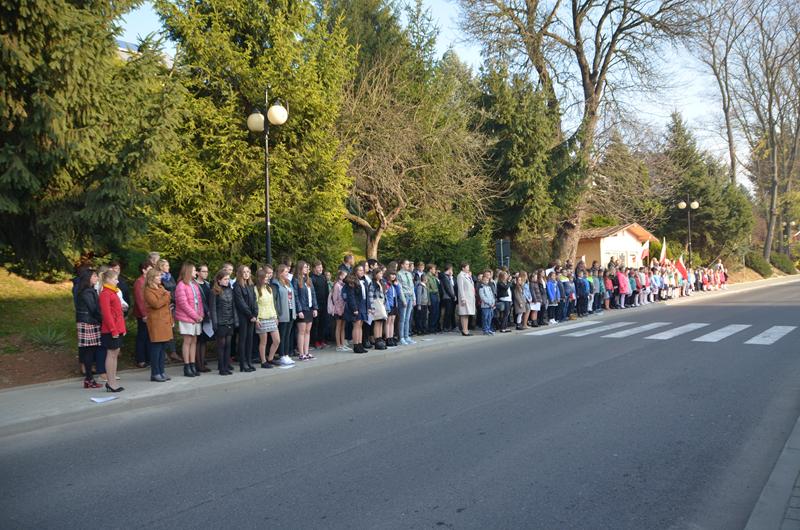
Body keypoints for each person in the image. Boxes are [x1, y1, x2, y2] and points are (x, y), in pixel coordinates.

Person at [174, 263, 204, 377]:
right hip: (187, 317)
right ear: (188, 272)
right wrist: (195, 316)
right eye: (194, 270)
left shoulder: (194, 284)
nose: (196, 272)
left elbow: (199, 301)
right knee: (187, 341)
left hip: (196, 317)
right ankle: (186, 366)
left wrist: (201, 314)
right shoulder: (181, 285)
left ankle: (192, 364)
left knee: (194, 341)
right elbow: (183, 304)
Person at [144, 267, 173, 382]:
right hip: (156, 322)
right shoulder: (148, 290)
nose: (160, 277)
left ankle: (162, 371)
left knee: (162, 349)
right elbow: (156, 304)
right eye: (158, 276)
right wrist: (166, 296)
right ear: (151, 278)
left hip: (165, 321)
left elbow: (166, 303)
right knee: (156, 349)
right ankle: (155, 373)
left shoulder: (161, 288)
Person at [75, 269, 103, 388]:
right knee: (89, 351)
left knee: (90, 351)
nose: (97, 278)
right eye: (95, 276)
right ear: (88, 278)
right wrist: (103, 319)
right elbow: (93, 308)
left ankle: (89, 379)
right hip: (88, 322)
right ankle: (89, 379)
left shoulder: (88, 290)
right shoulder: (87, 292)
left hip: (90, 321)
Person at [98, 269, 125, 392]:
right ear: (108, 280)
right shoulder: (105, 293)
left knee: (115, 354)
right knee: (111, 354)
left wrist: (122, 328)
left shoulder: (113, 292)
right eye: (115, 279)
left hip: (117, 328)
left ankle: (113, 381)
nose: (117, 281)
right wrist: (113, 330)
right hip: (110, 329)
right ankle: (111, 382)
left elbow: (118, 313)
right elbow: (107, 314)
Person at [209, 270, 238, 375]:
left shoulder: (230, 290)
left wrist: (235, 320)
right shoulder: (214, 292)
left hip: (230, 321)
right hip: (220, 322)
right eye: (225, 279)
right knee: (221, 345)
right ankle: (221, 368)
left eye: (228, 279)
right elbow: (213, 309)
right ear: (219, 280)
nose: (227, 281)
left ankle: (226, 366)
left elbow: (233, 307)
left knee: (228, 345)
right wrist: (215, 324)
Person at [233, 265, 258, 372]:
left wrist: (255, 314)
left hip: (252, 317)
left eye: (248, 271)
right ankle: (243, 364)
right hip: (243, 316)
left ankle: (249, 361)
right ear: (240, 273)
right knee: (243, 340)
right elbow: (241, 303)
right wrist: (250, 315)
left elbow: (255, 301)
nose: (247, 274)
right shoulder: (237, 286)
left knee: (250, 340)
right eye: (244, 272)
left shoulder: (251, 285)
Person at [271, 264, 297, 366]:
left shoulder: (288, 282)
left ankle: (286, 354)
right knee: (282, 335)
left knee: (288, 334)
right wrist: (277, 314)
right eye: (285, 271)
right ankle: (281, 355)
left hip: (290, 310)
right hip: (282, 312)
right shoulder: (276, 284)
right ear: (280, 272)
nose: (287, 273)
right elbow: (275, 300)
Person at [255, 266, 280, 369]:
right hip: (262, 318)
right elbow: (255, 305)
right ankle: (263, 361)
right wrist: (256, 319)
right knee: (263, 342)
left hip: (271, 317)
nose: (267, 279)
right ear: (260, 278)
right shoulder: (256, 289)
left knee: (277, 340)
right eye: (265, 277)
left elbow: (272, 304)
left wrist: (275, 316)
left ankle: (270, 358)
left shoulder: (269, 288)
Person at [293, 260, 318, 361]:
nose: (307, 269)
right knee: (301, 331)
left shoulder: (309, 279)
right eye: (304, 267)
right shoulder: (296, 280)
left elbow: (313, 294)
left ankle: (306, 352)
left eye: (307, 267)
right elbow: (295, 296)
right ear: (300, 268)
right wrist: (299, 310)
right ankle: (301, 353)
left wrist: (315, 308)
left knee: (308, 331)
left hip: (309, 308)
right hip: (302, 309)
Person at [132, 261, 152, 368]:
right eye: (149, 269)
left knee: (148, 336)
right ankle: (141, 359)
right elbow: (140, 299)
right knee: (142, 336)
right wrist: (144, 314)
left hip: (150, 312)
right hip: (143, 314)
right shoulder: (139, 282)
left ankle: (148, 358)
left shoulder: (148, 280)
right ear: (144, 270)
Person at [344, 266, 368, 353]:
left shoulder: (363, 281)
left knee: (360, 325)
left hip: (362, 304)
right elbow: (351, 296)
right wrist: (354, 308)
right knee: (356, 325)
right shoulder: (352, 281)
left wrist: (368, 306)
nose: (362, 272)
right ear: (355, 271)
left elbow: (366, 295)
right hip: (356, 306)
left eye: (362, 270)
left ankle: (360, 344)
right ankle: (356, 345)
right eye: (360, 270)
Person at [195, 264, 212, 372]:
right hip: (199, 314)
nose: (206, 273)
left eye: (207, 271)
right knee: (198, 340)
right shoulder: (195, 285)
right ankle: (198, 363)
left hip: (207, 315)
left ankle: (202, 362)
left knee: (204, 340)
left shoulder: (207, 284)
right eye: (203, 271)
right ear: (198, 272)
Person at [310, 261, 329, 349]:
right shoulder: (311, 278)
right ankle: (315, 341)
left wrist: (327, 302)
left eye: (321, 267)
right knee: (316, 324)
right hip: (316, 305)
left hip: (323, 304)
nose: (321, 269)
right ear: (314, 268)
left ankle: (322, 340)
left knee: (323, 323)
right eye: (318, 267)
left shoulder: (323, 277)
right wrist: (314, 306)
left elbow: (326, 291)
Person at [328, 270, 349, 351]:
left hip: (344, 308)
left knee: (343, 326)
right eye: (344, 276)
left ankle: (343, 344)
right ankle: (338, 345)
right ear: (340, 276)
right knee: (338, 326)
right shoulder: (337, 285)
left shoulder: (344, 285)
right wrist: (338, 309)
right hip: (338, 309)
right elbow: (335, 299)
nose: (346, 277)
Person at [397, 260, 416, 345]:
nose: (408, 265)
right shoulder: (399, 274)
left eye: (408, 264)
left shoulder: (409, 274)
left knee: (408, 318)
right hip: (404, 296)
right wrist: (403, 300)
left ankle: (407, 336)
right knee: (402, 318)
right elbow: (400, 288)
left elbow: (412, 286)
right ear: (402, 265)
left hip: (410, 296)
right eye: (406, 264)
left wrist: (414, 298)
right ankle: (401, 337)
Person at [368, 268, 388, 350]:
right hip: (376, 303)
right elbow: (370, 295)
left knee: (381, 321)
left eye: (381, 273)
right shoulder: (372, 284)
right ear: (375, 274)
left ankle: (380, 338)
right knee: (377, 321)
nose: (381, 275)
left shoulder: (381, 282)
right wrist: (371, 307)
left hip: (381, 303)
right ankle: (377, 340)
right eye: (379, 273)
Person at [456, 262, 475, 336]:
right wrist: (463, 298)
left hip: (469, 297)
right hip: (464, 298)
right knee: (464, 314)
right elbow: (461, 288)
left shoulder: (467, 275)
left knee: (467, 314)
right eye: (467, 267)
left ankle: (466, 329)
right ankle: (464, 330)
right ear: (463, 268)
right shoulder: (460, 276)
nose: (468, 268)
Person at [383, 269, 399, 347]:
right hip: (389, 305)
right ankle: (387, 338)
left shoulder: (393, 284)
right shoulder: (386, 283)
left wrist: (397, 285)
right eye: (392, 274)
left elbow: (398, 293)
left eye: (394, 275)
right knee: (388, 321)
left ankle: (391, 337)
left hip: (394, 304)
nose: (393, 276)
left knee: (392, 321)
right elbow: (384, 293)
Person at [439, 264, 456, 332]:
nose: (452, 271)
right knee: (447, 313)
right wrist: (453, 296)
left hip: (449, 297)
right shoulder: (444, 277)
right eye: (451, 269)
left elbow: (451, 286)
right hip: (447, 297)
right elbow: (447, 288)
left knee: (449, 312)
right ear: (449, 269)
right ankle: (445, 327)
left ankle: (448, 326)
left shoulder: (448, 277)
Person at [426, 264, 441, 333]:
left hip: (436, 295)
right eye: (434, 269)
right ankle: (431, 327)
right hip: (431, 294)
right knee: (433, 311)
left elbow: (437, 287)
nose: (435, 270)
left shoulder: (434, 277)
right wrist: (428, 300)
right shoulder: (427, 277)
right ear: (430, 269)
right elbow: (427, 289)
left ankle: (435, 327)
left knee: (437, 312)